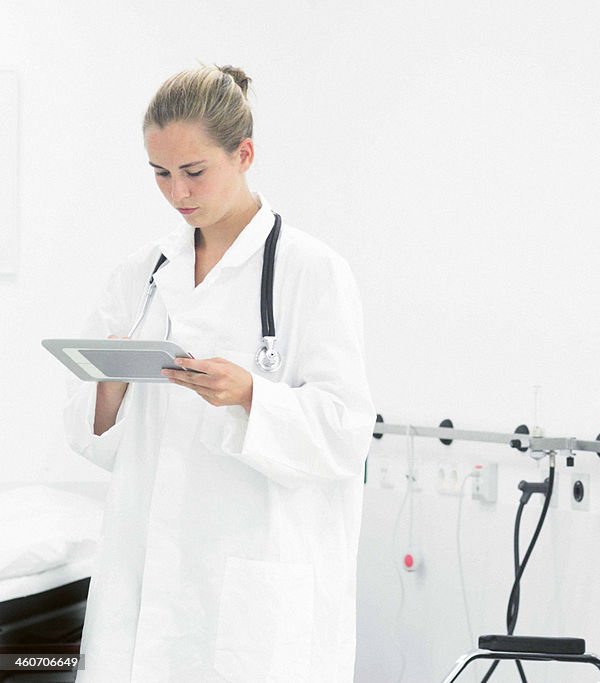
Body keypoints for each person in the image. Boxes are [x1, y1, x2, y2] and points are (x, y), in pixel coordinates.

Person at [64, 65, 375, 682]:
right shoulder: (142, 274)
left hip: (251, 583)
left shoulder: (311, 271)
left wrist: (251, 394)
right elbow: (91, 436)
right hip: (145, 579)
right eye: (160, 174)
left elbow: (346, 430)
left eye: (194, 171)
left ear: (244, 154)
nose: (177, 192)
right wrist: (110, 381)